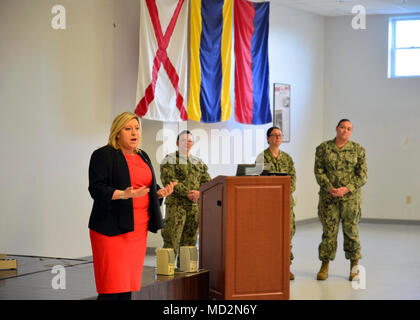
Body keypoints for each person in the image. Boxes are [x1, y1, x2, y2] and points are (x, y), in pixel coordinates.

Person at [88, 111, 177, 300]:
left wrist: (159, 193)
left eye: (136, 128)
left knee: (127, 284)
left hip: (137, 229)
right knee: (111, 286)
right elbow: (96, 188)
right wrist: (123, 194)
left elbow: (147, 185)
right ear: (117, 132)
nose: (134, 133)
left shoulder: (142, 156)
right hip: (111, 230)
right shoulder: (103, 155)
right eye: (128, 129)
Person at [314, 119, 367, 281]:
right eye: (342, 127)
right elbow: (319, 171)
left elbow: (362, 176)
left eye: (349, 129)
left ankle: (354, 267)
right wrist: (330, 187)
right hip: (329, 198)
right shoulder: (323, 148)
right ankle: (324, 265)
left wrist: (346, 188)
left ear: (351, 132)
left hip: (350, 200)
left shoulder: (358, 150)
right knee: (328, 233)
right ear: (337, 128)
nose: (345, 130)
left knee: (351, 233)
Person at [160, 130, 211, 268]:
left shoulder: (198, 162)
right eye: (183, 140)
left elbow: (207, 181)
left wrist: (199, 193)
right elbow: (169, 180)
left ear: (193, 143)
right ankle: (166, 273)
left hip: (194, 207)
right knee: (171, 240)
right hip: (176, 206)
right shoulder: (169, 160)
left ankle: (187, 274)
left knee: (190, 241)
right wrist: (188, 193)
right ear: (177, 143)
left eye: (189, 140)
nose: (187, 143)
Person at [255, 126, 296, 280]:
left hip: (286, 203)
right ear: (268, 139)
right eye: (274, 135)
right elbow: (257, 181)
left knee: (287, 235)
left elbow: (293, 179)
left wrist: (286, 192)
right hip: (268, 205)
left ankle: (287, 267)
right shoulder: (261, 158)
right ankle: (269, 267)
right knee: (269, 236)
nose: (278, 138)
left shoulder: (287, 158)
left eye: (280, 135)